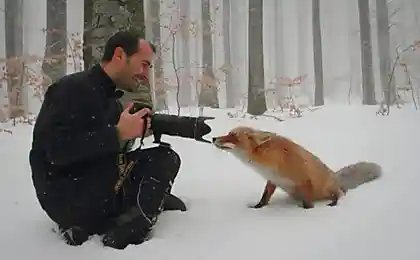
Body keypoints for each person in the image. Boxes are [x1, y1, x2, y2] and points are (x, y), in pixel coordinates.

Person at [29, 30, 186, 250]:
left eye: (148, 67)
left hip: (93, 183)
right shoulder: (71, 89)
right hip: (67, 197)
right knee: (164, 159)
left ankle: (146, 201)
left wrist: (135, 132)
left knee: (161, 157)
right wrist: (117, 134)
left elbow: (106, 150)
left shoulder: (110, 99)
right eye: (143, 64)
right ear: (120, 55)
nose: (145, 73)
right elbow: (56, 151)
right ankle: (125, 234)